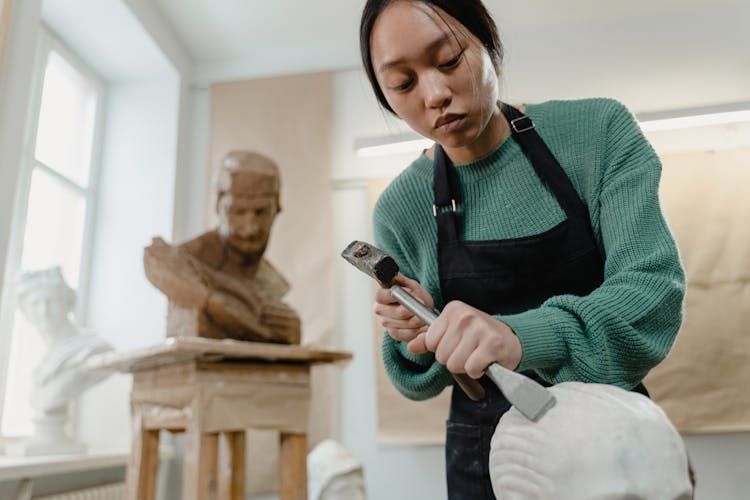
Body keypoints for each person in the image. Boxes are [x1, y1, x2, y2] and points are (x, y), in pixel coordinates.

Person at [360, 1, 686, 498]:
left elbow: (651, 290)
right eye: (403, 85)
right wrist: (415, 331)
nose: (435, 94)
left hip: (608, 439)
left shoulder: (598, 133)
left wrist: (519, 336)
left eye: (448, 60)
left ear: (490, 44)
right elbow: (420, 382)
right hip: (483, 453)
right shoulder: (402, 206)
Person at [144, 151, 301, 344]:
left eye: (261, 212)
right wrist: (216, 305)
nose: (250, 227)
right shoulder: (183, 262)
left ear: (276, 209)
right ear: (218, 206)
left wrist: (289, 335)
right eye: (237, 211)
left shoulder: (272, 283)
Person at [13, 267, 112, 455]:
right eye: (35, 304)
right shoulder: (41, 364)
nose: (44, 311)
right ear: (25, 311)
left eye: (51, 302)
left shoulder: (91, 351)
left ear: (67, 303)